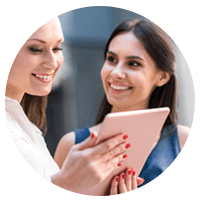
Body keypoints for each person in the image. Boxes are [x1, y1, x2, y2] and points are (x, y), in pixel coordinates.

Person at [5, 17, 144, 195]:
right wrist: (67, 183)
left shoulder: (29, 129)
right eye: (36, 49)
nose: (53, 63)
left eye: (57, 48)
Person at [54, 19, 190, 195]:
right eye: (111, 59)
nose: (116, 72)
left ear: (162, 77)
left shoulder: (181, 141)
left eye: (133, 63)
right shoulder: (72, 145)